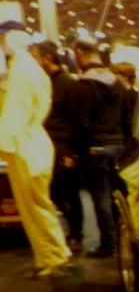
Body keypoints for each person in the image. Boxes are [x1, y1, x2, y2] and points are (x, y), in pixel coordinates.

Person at [0, 21, 72, 277]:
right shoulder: (27, 67)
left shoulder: (22, 69)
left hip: (25, 145)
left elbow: (17, 111)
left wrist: (4, 142)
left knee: (36, 206)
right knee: (37, 206)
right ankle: (52, 254)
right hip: (30, 142)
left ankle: (54, 255)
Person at [66, 37, 128, 257]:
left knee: (101, 196)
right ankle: (124, 239)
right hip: (119, 145)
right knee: (118, 195)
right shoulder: (117, 84)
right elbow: (126, 117)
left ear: (79, 53)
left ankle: (109, 244)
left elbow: (78, 122)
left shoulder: (83, 86)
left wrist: (74, 151)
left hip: (96, 148)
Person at [32, 40, 83, 251]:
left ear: (47, 58)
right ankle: (68, 230)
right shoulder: (43, 82)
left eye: (36, 57)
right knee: (53, 192)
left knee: (70, 193)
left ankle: (77, 233)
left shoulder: (68, 83)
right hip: (47, 146)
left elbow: (76, 119)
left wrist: (72, 152)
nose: (34, 61)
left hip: (64, 147)